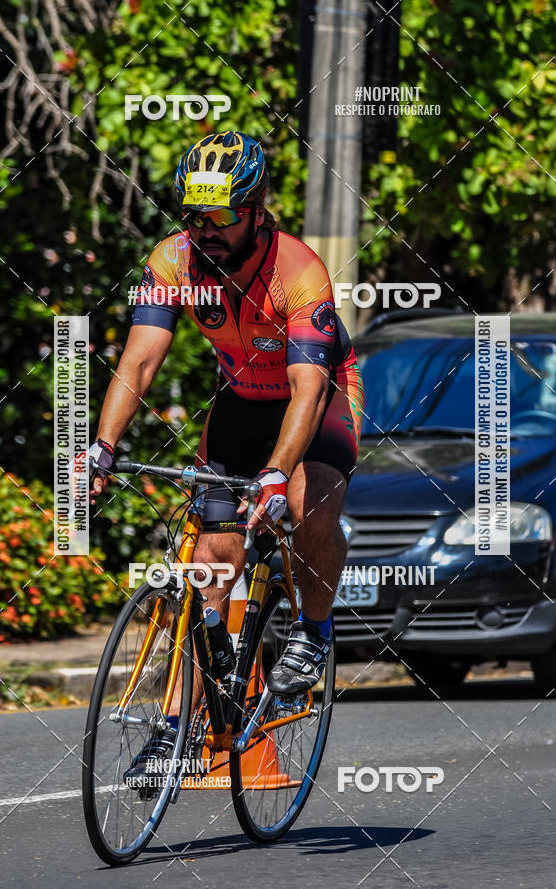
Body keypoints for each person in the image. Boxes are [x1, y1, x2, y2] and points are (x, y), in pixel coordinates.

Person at [88, 131, 363, 781]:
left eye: (219, 215)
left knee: (309, 504)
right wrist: (101, 445)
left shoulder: (297, 269)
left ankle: (313, 632)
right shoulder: (172, 262)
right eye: (191, 214)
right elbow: (141, 358)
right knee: (211, 560)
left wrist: (275, 472)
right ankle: (189, 717)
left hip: (314, 398)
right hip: (240, 399)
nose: (203, 229)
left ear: (256, 209)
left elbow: (306, 386)